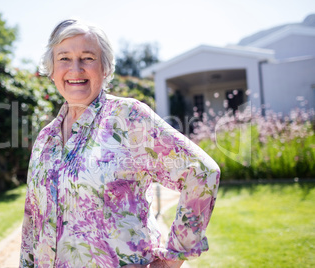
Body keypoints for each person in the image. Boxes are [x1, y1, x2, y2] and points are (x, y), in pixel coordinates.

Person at [20, 19, 220, 268]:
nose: (76, 68)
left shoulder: (128, 117)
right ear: (51, 69)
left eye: (88, 58)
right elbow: (32, 221)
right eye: (64, 58)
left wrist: (173, 259)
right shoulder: (45, 139)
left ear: (105, 68)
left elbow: (201, 172)